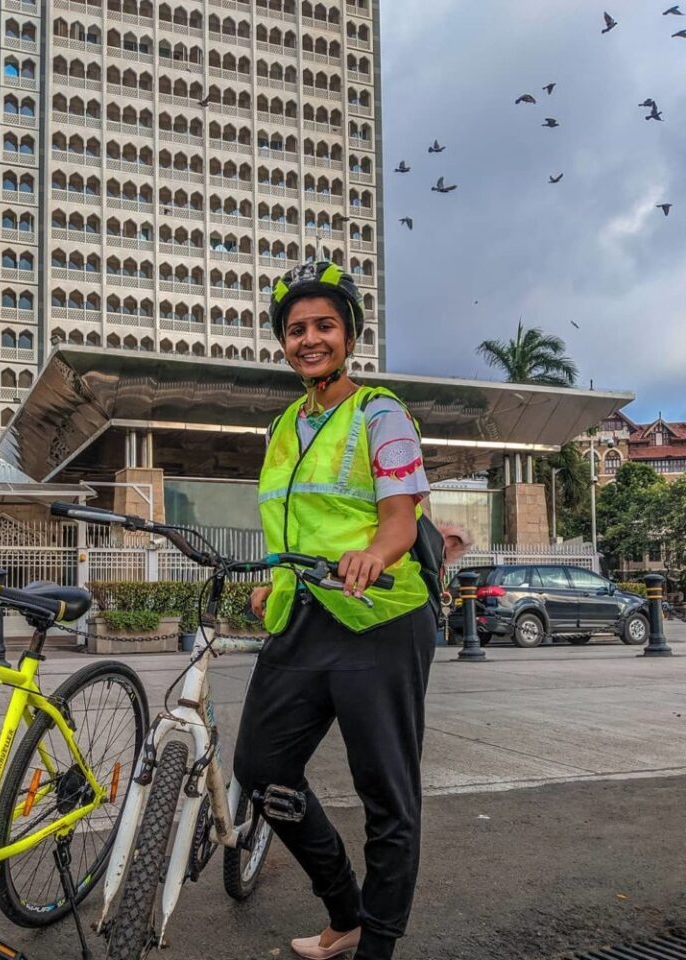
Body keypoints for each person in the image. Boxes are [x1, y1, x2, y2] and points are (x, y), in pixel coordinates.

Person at [233, 261, 437, 960]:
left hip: (378, 616)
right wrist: (274, 582)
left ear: (347, 334)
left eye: (324, 325)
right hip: (303, 617)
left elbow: (400, 519)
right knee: (261, 767)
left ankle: (376, 947)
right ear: (283, 342)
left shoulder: (382, 414)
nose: (309, 339)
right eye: (296, 329)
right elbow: (296, 527)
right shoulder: (283, 426)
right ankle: (344, 908)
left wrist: (373, 555)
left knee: (386, 794)